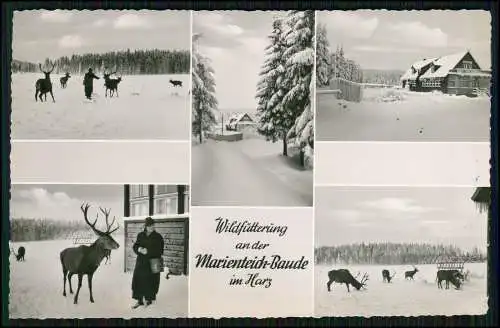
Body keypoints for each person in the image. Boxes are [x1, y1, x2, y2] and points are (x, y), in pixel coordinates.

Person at [131, 217, 165, 308]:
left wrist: (148, 251)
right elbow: (135, 246)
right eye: (150, 226)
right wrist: (139, 249)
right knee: (139, 280)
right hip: (141, 262)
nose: (152, 227)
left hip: (153, 262)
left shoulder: (158, 237)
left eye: (153, 225)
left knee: (152, 281)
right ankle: (139, 300)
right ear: (146, 226)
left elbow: (160, 251)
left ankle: (149, 300)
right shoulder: (140, 235)